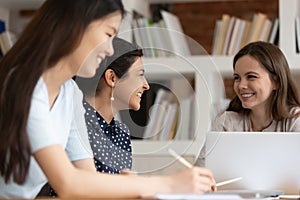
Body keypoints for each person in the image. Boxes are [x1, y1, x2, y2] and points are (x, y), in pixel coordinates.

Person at [0, 0, 215, 198]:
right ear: (76, 26)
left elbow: (86, 178)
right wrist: (168, 184)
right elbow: (68, 183)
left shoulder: (69, 92)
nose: (110, 49)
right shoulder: (22, 82)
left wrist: (129, 186)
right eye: (108, 34)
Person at [75, 37, 149, 174]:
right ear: (112, 78)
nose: (146, 85)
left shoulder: (122, 133)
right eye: (140, 75)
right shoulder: (75, 125)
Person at [211, 41, 300, 132]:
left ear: (276, 82)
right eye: (237, 78)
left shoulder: (295, 120)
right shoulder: (226, 123)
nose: (241, 85)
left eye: (251, 76)